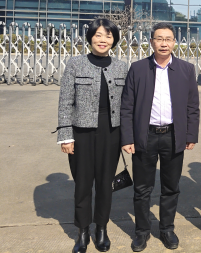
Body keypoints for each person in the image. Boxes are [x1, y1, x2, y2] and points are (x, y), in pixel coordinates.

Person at [120, 22, 200, 252]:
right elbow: (127, 106)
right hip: (145, 135)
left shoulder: (186, 69)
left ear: (174, 42)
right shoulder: (138, 68)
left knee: (171, 187)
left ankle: (167, 229)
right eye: (159, 39)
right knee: (142, 188)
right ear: (151, 42)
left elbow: (192, 106)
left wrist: (190, 134)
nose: (164, 43)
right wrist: (127, 137)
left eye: (168, 39)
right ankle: (142, 231)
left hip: (173, 136)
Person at [56, 18, 128, 253]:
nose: (103, 40)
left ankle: (101, 229)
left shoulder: (121, 66)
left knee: (106, 184)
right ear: (90, 38)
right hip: (82, 133)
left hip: (111, 132)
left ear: (114, 40)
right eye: (98, 35)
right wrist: (66, 136)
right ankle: (83, 231)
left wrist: (127, 137)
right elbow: (65, 101)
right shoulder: (76, 64)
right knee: (83, 184)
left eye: (108, 36)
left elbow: (127, 105)